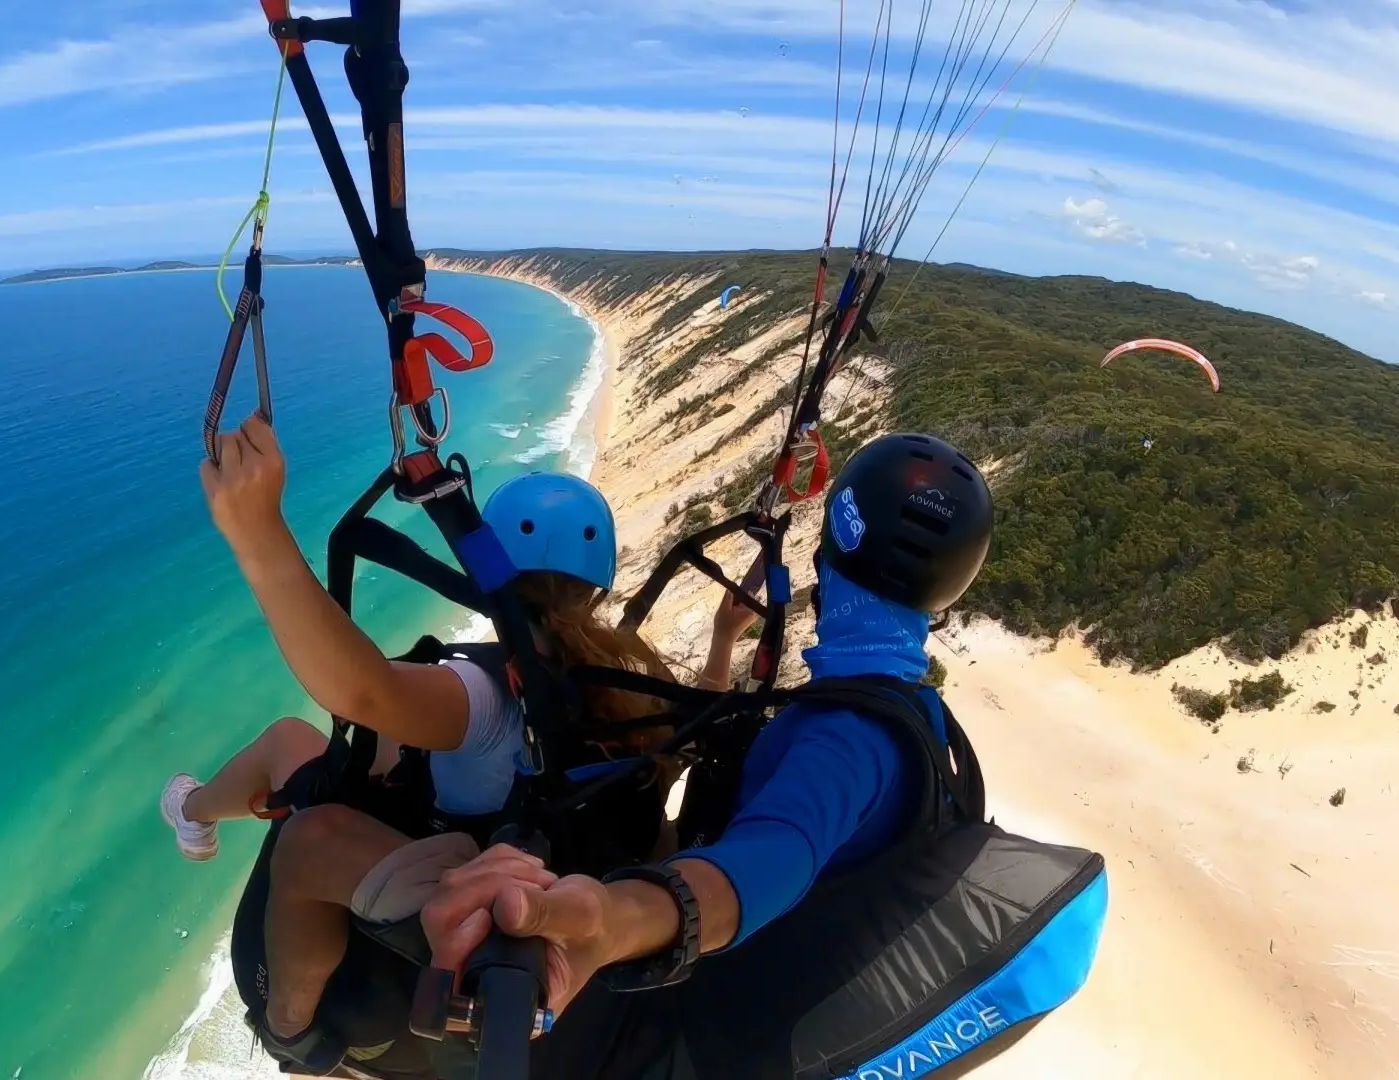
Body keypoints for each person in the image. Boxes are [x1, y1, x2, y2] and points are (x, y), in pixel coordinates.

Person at [164, 415, 759, 1071]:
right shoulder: (625, 677)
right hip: (576, 866)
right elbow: (686, 732)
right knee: (304, 745)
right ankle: (192, 815)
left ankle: (290, 1032)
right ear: (598, 580)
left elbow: (361, 693)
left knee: (310, 830)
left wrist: (260, 539)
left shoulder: (488, 692)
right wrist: (725, 640)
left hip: (489, 885)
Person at [419, 432, 1002, 1078]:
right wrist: (725, 637)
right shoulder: (920, 716)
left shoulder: (846, 740)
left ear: (829, 552)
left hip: (705, 1020)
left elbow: (765, 862)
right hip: (783, 975)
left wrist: (614, 920)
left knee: (456, 1028)